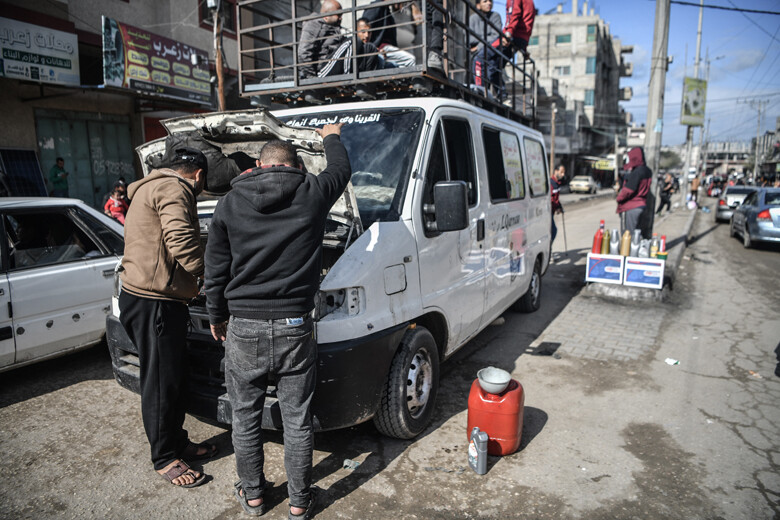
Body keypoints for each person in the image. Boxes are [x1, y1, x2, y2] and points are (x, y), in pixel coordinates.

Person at [204, 123, 350, 519]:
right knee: (297, 420)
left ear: (258, 164)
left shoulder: (229, 204)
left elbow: (215, 271)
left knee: (245, 416)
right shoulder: (313, 193)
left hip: (244, 325)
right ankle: (300, 503)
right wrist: (331, 135)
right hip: (294, 326)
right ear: (296, 165)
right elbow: (340, 168)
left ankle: (253, 496)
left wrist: (217, 316)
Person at [118, 146, 217, 489]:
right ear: (199, 176)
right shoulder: (176, 189)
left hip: (146, 296)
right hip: (154, 301)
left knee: (171, 377)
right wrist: (208, 275)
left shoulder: (149, 185)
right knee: (160, 382)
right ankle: (164, 457)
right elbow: (181, 240)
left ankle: (177, 442)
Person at [298, 0, 377, 79]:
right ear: (326, 16)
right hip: (322, 70)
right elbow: (303, 52)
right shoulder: (313, 25)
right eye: (338, 15)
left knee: (369, 47)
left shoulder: (335, 28)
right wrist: (311, 78)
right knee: (354, 41)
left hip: (334, 65)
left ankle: (366, 82)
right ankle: (348, 79)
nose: (341, 18)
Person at [475, 0, 535, 99]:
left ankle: (479, 94)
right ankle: (503, 96)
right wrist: (524, 48)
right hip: (521, 40)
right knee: (493, 66)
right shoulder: (530, 2)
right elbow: (527, 21)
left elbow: (514, 14)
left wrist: (508, 33)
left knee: (479, 58)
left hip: (512, 36)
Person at [362, 1, 418, 68]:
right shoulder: (375, 7)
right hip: (381, 48)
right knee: (410, 60)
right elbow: (363, 28)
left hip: (387, 50)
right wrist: (373, 48)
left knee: (397, 66)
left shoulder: (386, 10)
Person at [616, 147, 652, 237]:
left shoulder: (637, 172)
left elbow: (628, 190)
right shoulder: (647, 170)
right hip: (642, 205)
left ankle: (629, 251)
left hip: (632, 206)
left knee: (628, 235)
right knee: (637, 233)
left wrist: (619, 198)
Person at [469, 0, 502, 92]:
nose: (489, 3)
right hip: (475, 54)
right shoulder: (472, 19)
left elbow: (496, 37)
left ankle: (501, 94)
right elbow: (469, 39)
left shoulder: (495, 16)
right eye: (485, 1)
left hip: (490, 51)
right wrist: (486, 38)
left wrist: (479, 46)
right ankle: (480, 90)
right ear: (478, 5)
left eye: (490, 1)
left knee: (492, 67)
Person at [550, 163, 565, 245]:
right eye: (561, 172)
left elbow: (556, 199)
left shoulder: (558, 183)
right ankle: (549, 249)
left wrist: (560, 207)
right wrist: (556, 207)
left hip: (552, 211)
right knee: (553, 231)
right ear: (556, 171)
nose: (563, 174)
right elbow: (551, 199)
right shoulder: (551, 183)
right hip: (547, 212)